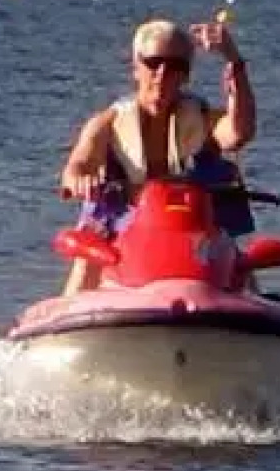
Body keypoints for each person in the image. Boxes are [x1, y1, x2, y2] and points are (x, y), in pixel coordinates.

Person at [57, 17, 257, 295]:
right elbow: (78, 165)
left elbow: (239, 132)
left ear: (186, 75)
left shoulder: (202, 120)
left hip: (194, 225)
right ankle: (63, 324)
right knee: (88, 254)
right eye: (153, 63)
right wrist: (80, 180)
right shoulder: (106, 124)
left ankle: (253, 321)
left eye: (175, 66)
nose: (162, 74)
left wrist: (234, 62)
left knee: (234, 258)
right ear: (136, 67)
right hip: (125, 222)